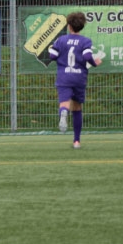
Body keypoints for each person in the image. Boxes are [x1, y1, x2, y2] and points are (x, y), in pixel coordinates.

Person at [48, 11, 101, 149]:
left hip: (64, 77)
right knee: (77, 107)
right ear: (82, 26)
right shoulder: (85, 41)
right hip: (79, 77)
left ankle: (64, 112)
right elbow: (87, 56)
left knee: (64, 103)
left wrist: (55, 52)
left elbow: (52, 56)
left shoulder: (61, 40)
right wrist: (94, 63)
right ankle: (76, 141)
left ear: (69, 26)